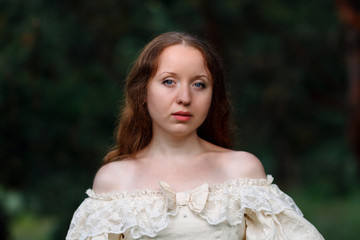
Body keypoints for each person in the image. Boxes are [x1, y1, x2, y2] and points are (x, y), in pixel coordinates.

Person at [66, 32, 324, 240]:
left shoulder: (242, 171)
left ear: (214, 96)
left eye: (199, 84)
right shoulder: (115, 180)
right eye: (169, 81)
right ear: (142, 92)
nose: (185, 98)